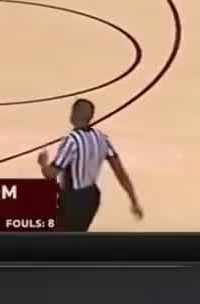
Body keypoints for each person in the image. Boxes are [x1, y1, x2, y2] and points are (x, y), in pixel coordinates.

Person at [37, 98, 143, 232]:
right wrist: (133, 200)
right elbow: (120, 173)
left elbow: (50, 174)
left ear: (74, 113)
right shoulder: (102, 138)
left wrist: (43, 163)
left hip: (73, 199)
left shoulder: (71, 140)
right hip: (92, 197)